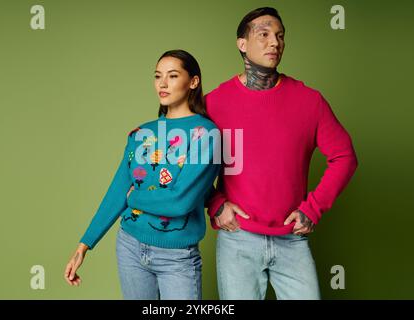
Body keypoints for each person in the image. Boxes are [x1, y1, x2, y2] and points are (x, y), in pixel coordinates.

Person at [205, 7, 358, 300]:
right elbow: (185, 163)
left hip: (292, 240)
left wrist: (313, 208)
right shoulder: (214, 103)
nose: (274, 42)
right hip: (237, 239)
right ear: (242, 44)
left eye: (280, 36)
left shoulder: (309, 101)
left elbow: (345, 157)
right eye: (263, 34)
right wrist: (215, 203)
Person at [64, 50, 221, 300]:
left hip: (177, 256)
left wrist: (133, 198)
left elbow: (180, 201)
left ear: (193, 81)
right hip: (130, 247)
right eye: (158, 76)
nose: (162, 83)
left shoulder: (206, 134)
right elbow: (117, 191)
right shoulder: (141, 133)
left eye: (172, 75)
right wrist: (84, 245)